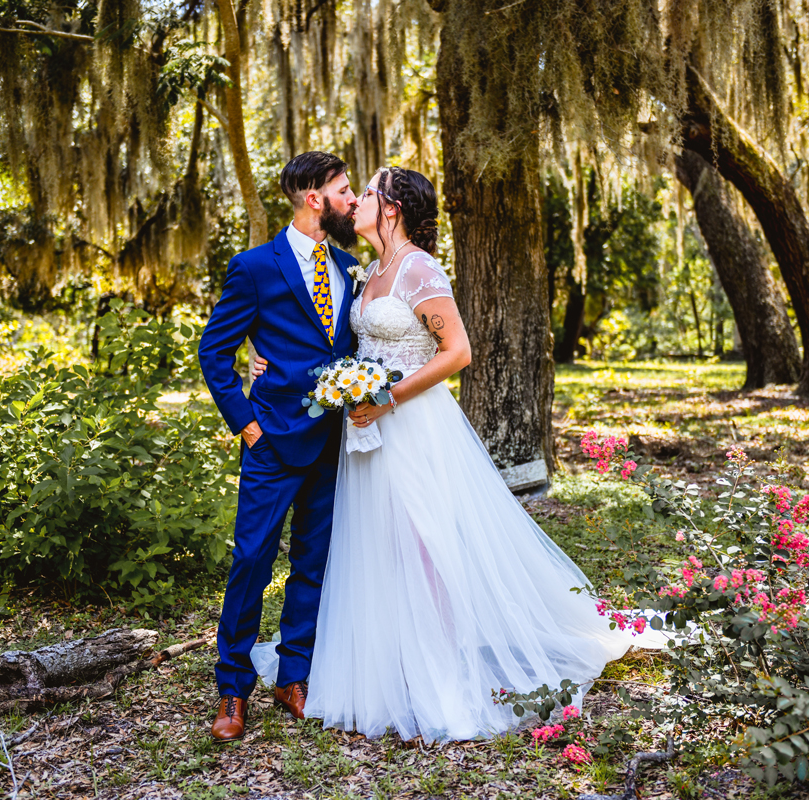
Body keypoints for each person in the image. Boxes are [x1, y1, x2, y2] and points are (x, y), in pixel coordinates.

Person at [249, 167, 663, 742]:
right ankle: (386, 660)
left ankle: (436, 671)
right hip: (364, 435)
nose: (358, 202)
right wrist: (262, 359)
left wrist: (387, 398)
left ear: (390, 207)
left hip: (412, 426)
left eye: (367, 193)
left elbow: (458, 351)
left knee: (426, 542)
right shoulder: (366, 271)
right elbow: (329, 338)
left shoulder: (418, 268)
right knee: (378, 542)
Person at [197, 151, 360, 741]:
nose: (352, 199)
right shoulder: (254, 267)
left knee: (312, 565)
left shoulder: (349, 266)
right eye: (343, 190)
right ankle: (232, 689)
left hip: (333, 442)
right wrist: (247, 424)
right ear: (314, 197)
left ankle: (295, 675)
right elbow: (214, 353)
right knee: (251, 563)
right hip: (270, 441)